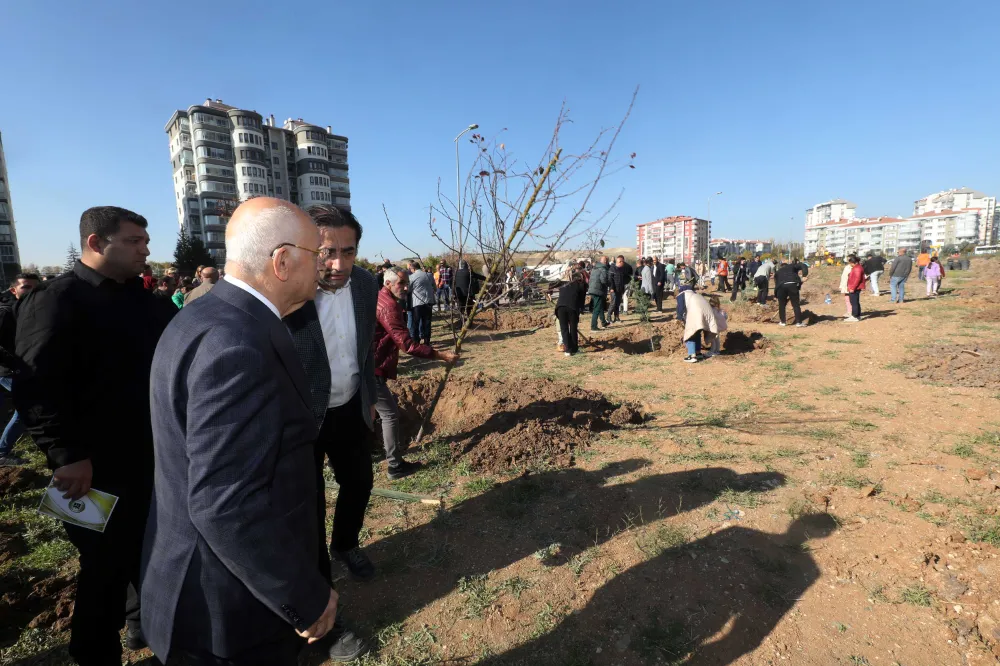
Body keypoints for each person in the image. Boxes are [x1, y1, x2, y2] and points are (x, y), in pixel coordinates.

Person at [142, 198, 359, 665]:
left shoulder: (206, 318)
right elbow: (225, 504)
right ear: (283, 261)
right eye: (316, 254)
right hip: (228, 609)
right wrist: (304, 597)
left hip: (208, 587)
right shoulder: (238, 345)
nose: (325, 265)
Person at [14, 207, 176, 665]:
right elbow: (36, 385)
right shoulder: (56, 300)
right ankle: (94, 653)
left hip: (152, 459)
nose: (147, 249)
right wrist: (66, 455)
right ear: (95, 243)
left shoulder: (148, 303)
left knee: (148, 549)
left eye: (145, 241)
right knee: (103, 568)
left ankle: (141, 623)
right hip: (91, 471)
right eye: (135, 241)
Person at [284, 205, 381, 600]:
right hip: (302, 418)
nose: (338, 264)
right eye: (326, 252)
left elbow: (366, 349)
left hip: (350, 407)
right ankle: (318, 585)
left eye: (349, 251)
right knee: (308, 506)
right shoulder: (288, 289)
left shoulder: (365, 284)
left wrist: (369, 397)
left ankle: (345, 544)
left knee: (359, 483)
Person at [375, 267, 458, 479]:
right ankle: (395, 466)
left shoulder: (381, 298)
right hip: (371, 368)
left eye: (406, 283)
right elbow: (407, 345)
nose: (406, 287)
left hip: (367, 364)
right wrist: (440, 355)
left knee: (368, 413)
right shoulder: (389, 307)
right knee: (390, 415)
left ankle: (357, 455)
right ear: (388, 284)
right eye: (401, 283)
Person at [0, 273, 40, 466]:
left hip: (24, 369)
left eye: (36, 288)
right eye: (26, 287)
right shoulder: (6, 313)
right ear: (13, 290)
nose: (31, 292)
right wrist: (17, 363)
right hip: (9, 371)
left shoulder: (33, 310)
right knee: (28, 407)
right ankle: (2, 453)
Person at [676, 284, 718, 363]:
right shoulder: (696, 294)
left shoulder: (682, 294)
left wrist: (679, 318)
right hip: (707, 312)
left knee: (690, 333)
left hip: (696, 313)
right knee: (697, 331)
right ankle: (698, 353)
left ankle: (692, 355)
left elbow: (680, 309)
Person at [555, 269, 587, 356]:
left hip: (560, 307)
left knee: (564, 329)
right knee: (573, 329)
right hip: (572, 308)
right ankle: (574, 349)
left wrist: (549, 294)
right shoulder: (581, 285)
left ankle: (568, 350)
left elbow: (552, 285)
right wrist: (580, 310)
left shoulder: (564, 284)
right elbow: (581, 300)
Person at [774, 258, 810, 327]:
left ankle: (782, 322)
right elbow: (803, 265)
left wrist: (777, 296)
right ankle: (799, 322)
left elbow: (776, 286)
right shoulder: (792, 266)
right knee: (795, 305)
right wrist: (804, 275)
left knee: (781, 305)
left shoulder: (777, 273)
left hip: (780, 287)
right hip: (792, 284)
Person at [407, 261, 436, 345]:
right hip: (428, 301)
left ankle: (416, 341)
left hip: (417, 302)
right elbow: (434, 287)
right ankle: (427, 342)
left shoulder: (412, 277)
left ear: (413, 268)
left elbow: (408, 290)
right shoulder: (429, 275)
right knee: (427, 322)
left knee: (416, 322)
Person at [587, 256, 611, 330]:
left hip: (592, 289)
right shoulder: (603, 269)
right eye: (606, 261)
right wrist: (609, 284)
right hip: (598, 290)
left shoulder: (595, 268)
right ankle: (593, 326)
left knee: (599, 306)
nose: (606, 263)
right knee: (597, 309)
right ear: (605, 262)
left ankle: (603, 322)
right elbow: (603, 280)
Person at [607, 255, 632, 323]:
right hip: (614, 289)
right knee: (613, 303)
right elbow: (610, 279)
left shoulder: (621, 269)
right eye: (623, 262)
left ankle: (616, 317)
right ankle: (608, 317)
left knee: (618, 303)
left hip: (620, 289)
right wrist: (612, 288)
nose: (624, 263)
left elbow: (627, 277)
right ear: (620, 262)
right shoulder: (612, 269)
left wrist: (634, 278)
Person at [845, 254, 866, 322]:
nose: (850, 265)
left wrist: (852, 288)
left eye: (851, 263)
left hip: (855, 287)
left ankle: (855, 316)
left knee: (854, 302)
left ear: (854, 262)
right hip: (855, 287)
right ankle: (857, 315)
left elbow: (857, 279)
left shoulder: (857, 268)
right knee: (855, 302)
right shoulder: (857, 267)